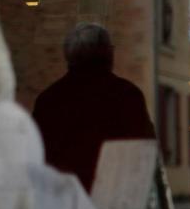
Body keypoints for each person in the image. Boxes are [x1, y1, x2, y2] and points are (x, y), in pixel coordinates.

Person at [33, 23, 155, 192]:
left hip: (63, 201)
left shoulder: (48, 100)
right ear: (106, 53)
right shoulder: (127, 95)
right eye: (110, 48)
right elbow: (145, 152)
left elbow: (38, 158)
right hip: (112, 202)